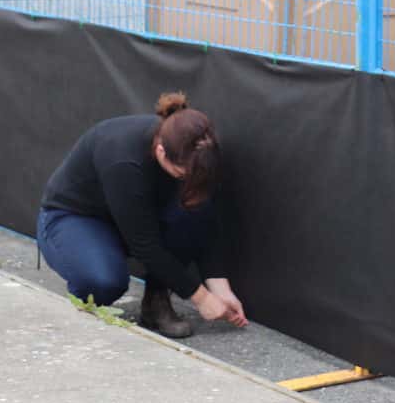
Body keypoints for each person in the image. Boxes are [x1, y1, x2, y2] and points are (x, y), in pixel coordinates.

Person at [36, 91, 248, 338]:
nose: (186, 181)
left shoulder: (191, 150)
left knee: (194, 210)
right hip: (75, 217)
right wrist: (201, 298)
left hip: (134, 217)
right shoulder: (124, 161)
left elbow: (205, 217)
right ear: (160, 152)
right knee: (104, 283)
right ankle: (83, 303)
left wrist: (219, 286)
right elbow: (145, 244)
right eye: (181, 175)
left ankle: (155, 303)